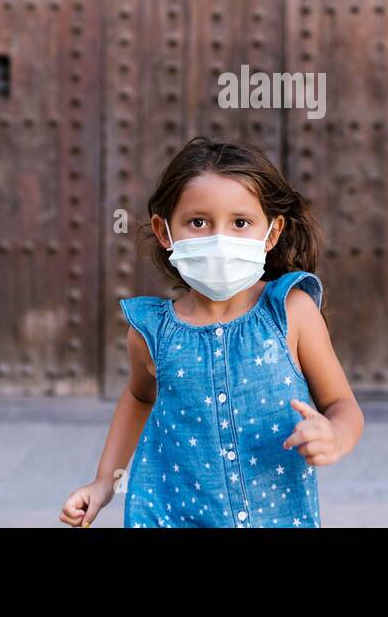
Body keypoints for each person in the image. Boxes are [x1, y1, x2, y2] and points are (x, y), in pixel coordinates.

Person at [60, 136, 363, 527]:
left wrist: (336, 435)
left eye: (241, 223)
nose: (220, 240)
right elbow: (137, 399)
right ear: (165, 231)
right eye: (198, 222)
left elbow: (342, 403)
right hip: (170, 515)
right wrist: (104, 481)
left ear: (270, 233)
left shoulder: (291, 312)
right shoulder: (152, 332)